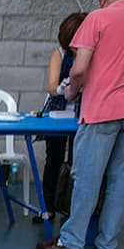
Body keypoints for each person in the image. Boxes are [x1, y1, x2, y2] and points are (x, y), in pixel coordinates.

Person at [38, 0, 124, 249]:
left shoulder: (97, 18)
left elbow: (80, 69)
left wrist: (71, 89)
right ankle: (107, 243)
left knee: (87, 178)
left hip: (103, 110)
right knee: (119, 179)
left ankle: (71, 240)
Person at [37, 12, 89, 225]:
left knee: (77, 162)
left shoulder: (91, 54)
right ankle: (47, 207)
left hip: (83, 114)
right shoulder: (59, 54)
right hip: (59, 111)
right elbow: (51, 86)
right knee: (54, 160)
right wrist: (63, 86)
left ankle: (71, 210)